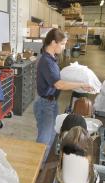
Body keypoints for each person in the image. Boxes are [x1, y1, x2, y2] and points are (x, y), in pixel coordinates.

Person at [33, 28, 93, 164]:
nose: (64, 47)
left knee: (51, 135)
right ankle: (36, 167)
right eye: (63, 43)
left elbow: (56, 79)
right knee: (44, 138)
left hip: (50, 102)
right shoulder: (46, 62)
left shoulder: (51, 59)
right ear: (54, 42)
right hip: (45, 104)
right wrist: (80, 84)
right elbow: (59, 84)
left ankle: (41, 164)